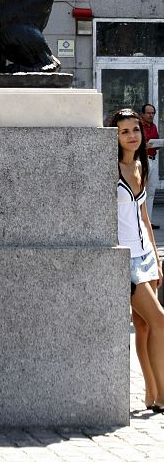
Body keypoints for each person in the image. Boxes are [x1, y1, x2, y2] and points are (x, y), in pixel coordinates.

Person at [110, 108, 164, 412]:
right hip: (125, 260)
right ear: (114, 136)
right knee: (160, 321)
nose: (132, 136)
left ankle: (151, 393)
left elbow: (144, 216)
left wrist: (156, 259)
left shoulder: (142, 166)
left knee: (144, 327)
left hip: (145, 256)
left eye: (135, 130)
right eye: (124, 131)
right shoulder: (109, 170)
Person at [141, 104, 160, 230]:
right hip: (142, 160)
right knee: (141, 191)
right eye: (148, 113)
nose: (151, 115)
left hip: (153, 160)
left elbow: (156, 142)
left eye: (153, 113)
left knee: (151, 192)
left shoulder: (153, 126)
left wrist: (158, 144)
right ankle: (139, 221)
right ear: (143, 114)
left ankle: (148, 221)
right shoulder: (138, 126)